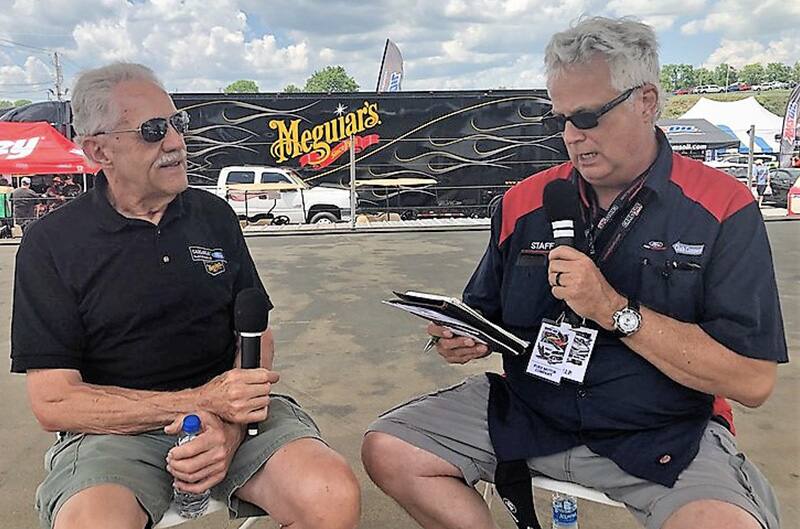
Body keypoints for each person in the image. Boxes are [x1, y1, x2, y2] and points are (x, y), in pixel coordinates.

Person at [362, 17, 786, 529]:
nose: (571, 137)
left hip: (665, 432)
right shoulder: (524, 202)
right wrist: (463, 337)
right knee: (389, 448)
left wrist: (616, 311)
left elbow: (754, 380)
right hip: (529, 414)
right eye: (559, 119)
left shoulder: (723, 206)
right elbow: (483, 312)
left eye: (587, 117)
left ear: (647, 101)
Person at [10, 63, 360, 529]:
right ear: (98, 150)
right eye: (153, 131)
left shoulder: (214, 216)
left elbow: (257, 335)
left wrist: (231, 427)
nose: (175, 142)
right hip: (114, 432)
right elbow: (54, 402)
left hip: (237, 418)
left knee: (331, 495)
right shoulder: (51, 244)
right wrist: (201, 402)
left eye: (179, 124)